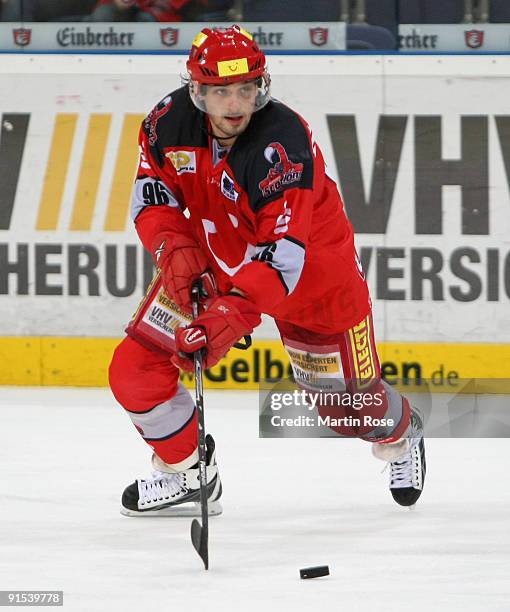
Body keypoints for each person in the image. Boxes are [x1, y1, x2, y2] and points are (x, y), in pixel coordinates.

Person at [109, 24, 426, 517]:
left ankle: (402, 432)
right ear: (197, 90)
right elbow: (153, 197)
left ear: (262, 86)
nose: (235, 104)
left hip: (314, 282)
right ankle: (192, 472)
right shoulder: (165, 123)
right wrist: (176, 253)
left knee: (347, 411)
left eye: (246, 88)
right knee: (134, 370)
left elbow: (283, 257)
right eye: (220, 91)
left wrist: (227, 317)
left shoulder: (282, 143)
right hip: (213, 260)